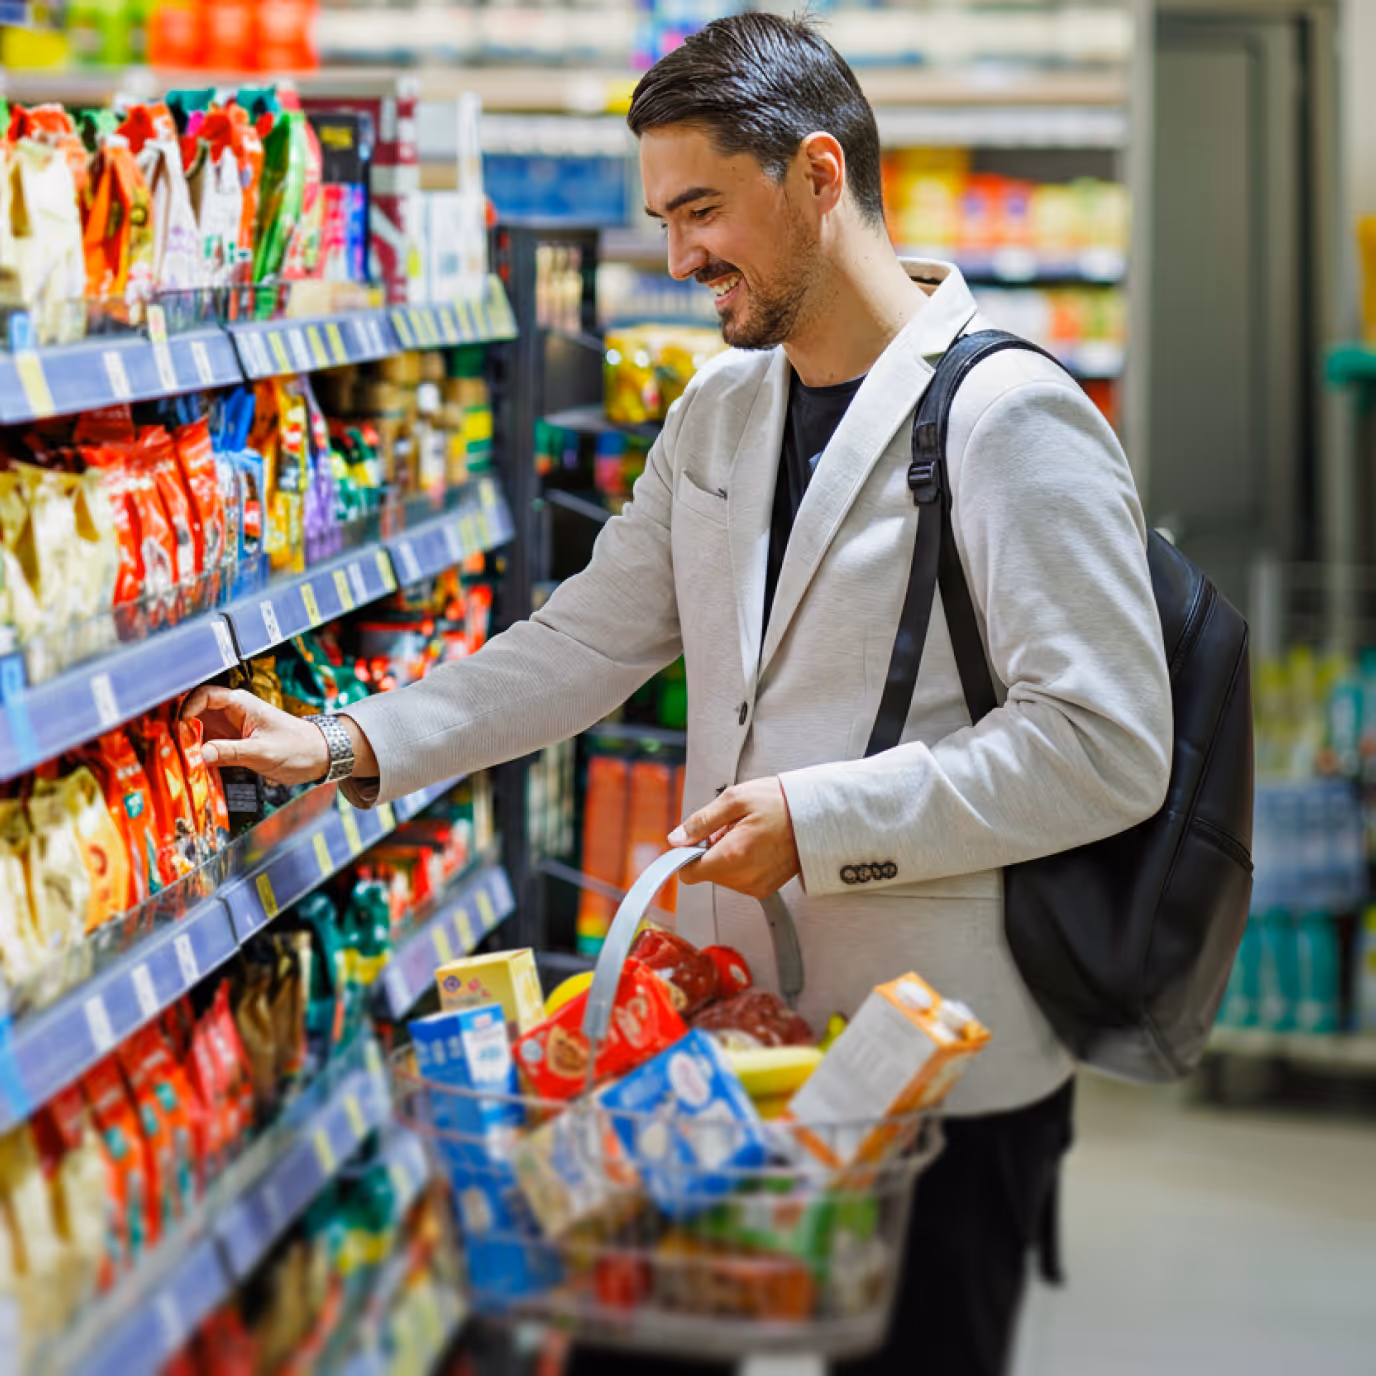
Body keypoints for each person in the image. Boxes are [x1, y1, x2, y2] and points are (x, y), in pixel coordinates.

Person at [185, 13, 1171, 1373]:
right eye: (664, 217)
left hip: (931, 1062)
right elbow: (586, 637)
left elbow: (1108, 747)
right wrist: (350, 739)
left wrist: (819, 820)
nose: (677, 257)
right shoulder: (720, 412)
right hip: (707, 1040)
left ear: (819, 176)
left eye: (703, 209)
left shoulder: (1013, 420)